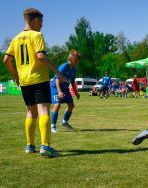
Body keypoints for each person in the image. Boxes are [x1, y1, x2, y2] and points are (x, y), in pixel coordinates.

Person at [2, 8, 68, 158]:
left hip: (24, 81)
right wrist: (58, 73)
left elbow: (6, 60)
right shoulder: (37, 35)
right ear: (36, 20)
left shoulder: (16, 38)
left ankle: (30, 145)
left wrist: (17, 76)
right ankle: (46, 146)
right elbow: (41, 56)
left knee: (30, 112)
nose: (42, 25)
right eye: (42, 22)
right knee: (44, 110)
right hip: (38, 79)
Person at [50, 50, 81, 133]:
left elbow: (73, 82)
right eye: (76, 60)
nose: (77, 62)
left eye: (78, 60)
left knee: (71, 105)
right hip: (55, 87)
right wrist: (59, 92)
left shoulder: (74, 69)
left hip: (65, 88)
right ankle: (52, 125)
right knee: (57, 105)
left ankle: (64, 122)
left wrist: (76, 93)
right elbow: (57, 79)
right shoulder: (63, 67)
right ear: (70, 60)